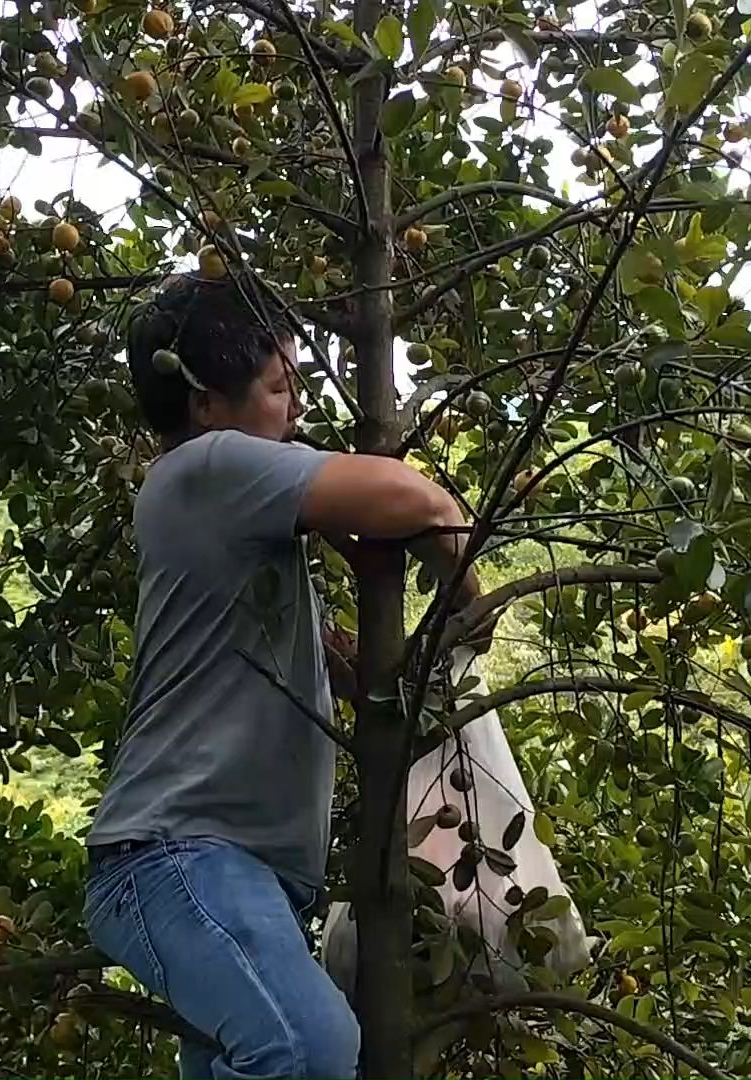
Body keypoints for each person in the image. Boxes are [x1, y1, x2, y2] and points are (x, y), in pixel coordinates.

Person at [82, 273, 479, 1079]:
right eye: (277, 385)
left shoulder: (221, 505)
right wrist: (465, 587)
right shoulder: (209, 465)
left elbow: (293, 664)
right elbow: (411, 496)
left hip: (227, 876)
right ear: (204, 403)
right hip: (181, 858)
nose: (294, 405)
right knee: (307, 1048)